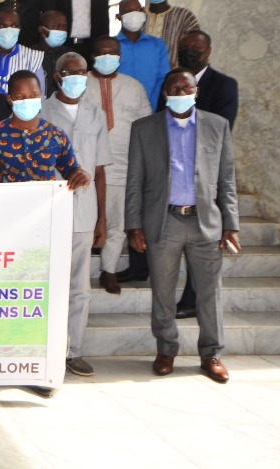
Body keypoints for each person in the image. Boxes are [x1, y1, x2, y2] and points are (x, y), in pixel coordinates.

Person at [0, 69, 91, 399]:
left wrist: (79, 175)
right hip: (3, 235)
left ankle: (33, 370)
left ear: (41, 95)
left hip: (42, 235)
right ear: (10, 99)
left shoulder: (56, 135)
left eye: (32, 95)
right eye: (20, 97)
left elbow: (71, 169)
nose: (27, 101)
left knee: (33, 304)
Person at [125, 68, 238, 384]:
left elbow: (227, 179)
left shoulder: (217, 126)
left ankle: (211, 354)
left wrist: (231, 225)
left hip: (206, 223)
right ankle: (166, 349)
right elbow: (134, 181)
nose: (179, 93)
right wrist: (133, 224)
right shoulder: (144, 129)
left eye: (185, 88)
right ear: (164, 94)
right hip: (165, 221)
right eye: (172, 89)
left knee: (209, 293)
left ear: (196, 91)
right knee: (162, 291)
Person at [40, 53, 111, 377]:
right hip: (47, 210)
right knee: (45, 283)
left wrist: (102, 219)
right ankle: (42, 350)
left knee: (80, 287)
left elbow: (99, 169)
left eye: (82, 73)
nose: (77, 78)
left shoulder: (96, 115)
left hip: (84, 212)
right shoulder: (41, 109)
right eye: (70, 73)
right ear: (57, 77)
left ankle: (74, 351)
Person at [166, 30, 239, 319]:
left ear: (208, 52)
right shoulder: (173, 81)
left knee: (205, 242)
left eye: (196, 47)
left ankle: (194, 299)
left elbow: (223, 127)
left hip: (207, 174)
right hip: (175, 175)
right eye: (185, 47)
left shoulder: (224, 85)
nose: (189, 51)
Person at [85, 35, 153, 294]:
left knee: (118, 225)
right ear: (93, 56)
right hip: (86, 169)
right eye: (102, 53)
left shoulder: (134, 86)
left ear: (120, 57)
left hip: (123, 167)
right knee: (83, 224)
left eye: (112, 53)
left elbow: (146, 126)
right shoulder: (80, 84)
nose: (107, 58)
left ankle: (109, 271)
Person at [143, 0, 200, 67]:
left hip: (174, 81)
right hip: (141, 80)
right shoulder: (138, 16)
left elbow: (195, 52)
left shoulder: (185, 17)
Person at [115, 0, 170, 109]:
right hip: (118, 111)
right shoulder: (111, 46)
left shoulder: (157, 45)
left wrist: (151, 107)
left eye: (138, 10)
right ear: (119, 17)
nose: (134, 14)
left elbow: (163, 79)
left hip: (151, 110)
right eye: (128, 11)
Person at [37, 9, 71, 96]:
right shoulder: (29, 55)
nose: (62, 30)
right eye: (56, 27)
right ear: (41, 30)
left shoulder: (70, 55)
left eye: (64, 27)